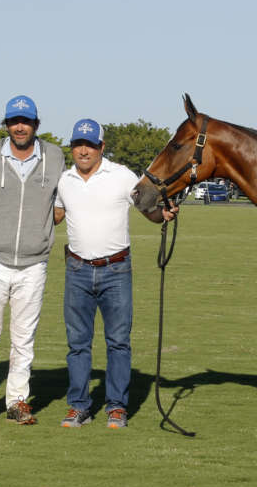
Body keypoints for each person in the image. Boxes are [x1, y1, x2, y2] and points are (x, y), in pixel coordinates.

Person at [54, 118, 176, 429]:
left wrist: (163, 215)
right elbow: (53, 215)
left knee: (118, 341)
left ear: (101, 147)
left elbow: (146, 210)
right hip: (77, 269)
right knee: (77, 343)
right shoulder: (64, 179)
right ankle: (78, 406)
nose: (84, 150)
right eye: (78, 144)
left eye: (90, 145)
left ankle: (117, 407)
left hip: (116, 269)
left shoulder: (122, 176)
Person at [0, 95, 66, 425]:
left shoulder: (55, 156)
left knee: (23, 339)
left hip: (34, 263)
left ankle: (17, 400)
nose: (20, 127)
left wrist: (43, 226)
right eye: (14, 121)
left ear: (36, 124)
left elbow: (64, 201)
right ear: (6, 125)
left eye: (26, 121)